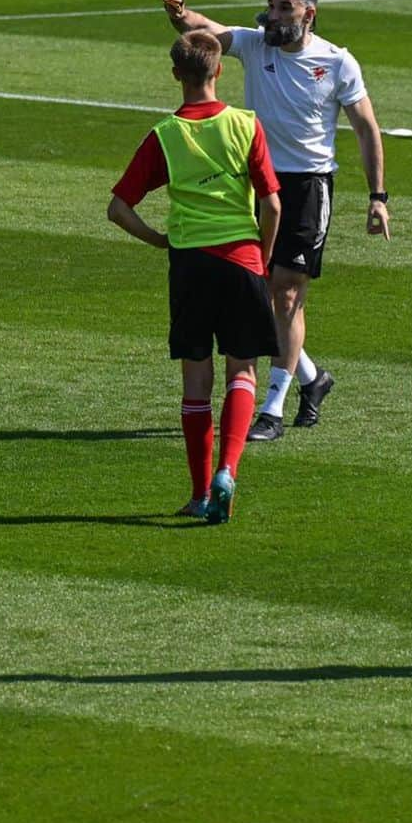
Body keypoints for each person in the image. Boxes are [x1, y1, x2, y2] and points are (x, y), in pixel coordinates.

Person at [159, 0, 389, 442]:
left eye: (285, 7)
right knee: (259, 290)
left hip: (308, 188)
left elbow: (366, 128)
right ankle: (312, 378)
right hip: (258, 182)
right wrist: (181, 15)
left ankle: (273, 408)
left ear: (309, 12)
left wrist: (377, 197)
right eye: (272, 4)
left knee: (285, 293)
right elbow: (208, 33)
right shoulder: (255, 44)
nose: (275, 14)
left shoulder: (338, 62)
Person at [108, 30, 281, 524]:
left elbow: (118, 209)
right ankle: (229, 469)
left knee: (195, 383)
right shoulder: (246, 126)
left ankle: (201, 492)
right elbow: (271, 204)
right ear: (219, 70)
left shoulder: (166, 135)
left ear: (175, 75)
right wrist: (262, 259)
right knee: (243, 372)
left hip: (190, 265)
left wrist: (160, 239)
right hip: (242, 261)